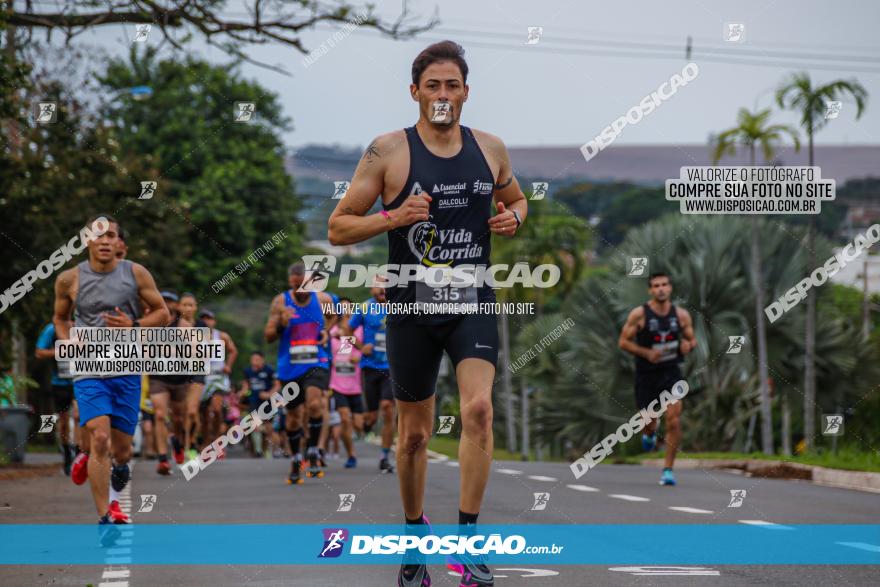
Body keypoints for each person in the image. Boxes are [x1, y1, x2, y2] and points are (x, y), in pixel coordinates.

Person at [327, 41, 528, 587]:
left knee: (479, 410)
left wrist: (513, 218)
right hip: (411, 306)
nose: (443, 95)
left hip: (472, 300)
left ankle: (468, 543)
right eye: (432, 86)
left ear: (466, 92)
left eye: (452, 85)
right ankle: (415, 541)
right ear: (414, 92)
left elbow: (517, 200)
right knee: (414, 436)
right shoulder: (387, 151)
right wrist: (392, 217)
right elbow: (338, 227)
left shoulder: (490, 148)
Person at [53, 215, 170, 526]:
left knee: (122, 450)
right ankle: (105, 514)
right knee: (100, 437)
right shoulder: (69, 279)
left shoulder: (136, 273)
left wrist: (133, 325)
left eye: (111, 236)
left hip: (127, 368)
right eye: (98, 235)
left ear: (118, 242)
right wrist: (68, 339)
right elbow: (60, 319)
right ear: (87, 240)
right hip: (89, 368)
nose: (105, 241)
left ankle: (117, 482)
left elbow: (163, 313)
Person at [618, 272, 696, 486]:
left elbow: (691, 340)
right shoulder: (639, 315)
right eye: (656, 285)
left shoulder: (681, 316)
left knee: (674, 418)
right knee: (648, 421)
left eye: (664, 284)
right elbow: (623, 342)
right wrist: (646, 353)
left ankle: (668, 470)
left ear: (670, 288)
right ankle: (650, 434)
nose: (660, 288)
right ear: (650, 290)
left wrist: (687, 346)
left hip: (671, 372)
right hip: (646, 374)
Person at [264, 262, 333, 484]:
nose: (301, 291)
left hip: (317, 361)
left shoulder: (323, 300)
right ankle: (296, 458)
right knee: (293, 418)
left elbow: (333, 319)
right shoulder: (280, 302)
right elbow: (268, 336)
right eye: (296, 286)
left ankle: (312, 449)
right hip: (290, 366)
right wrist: (282, 324)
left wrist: (325, 331)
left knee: (315, 404)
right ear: (291, 283)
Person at [343, 280, 393, 473]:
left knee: (388, 408)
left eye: (387, 285)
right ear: (371, 289)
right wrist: (360, 347)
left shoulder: (400, 305)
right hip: (370, 367)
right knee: (371, 417)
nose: (382, 289)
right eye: (378, 285)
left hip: (392, 367)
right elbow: (346, 331)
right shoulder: (364, 307)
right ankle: (367, 424)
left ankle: (385, 456)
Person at [149, 291, 191, 474]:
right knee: (159, 415)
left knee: (179, 419)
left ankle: (177, 442)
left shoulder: (184, 326)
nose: (166, 304)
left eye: (170, 301)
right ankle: (163, 459)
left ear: (175, 306)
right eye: (163, 301)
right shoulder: (150, 326)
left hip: (180, 379)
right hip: (158, 378)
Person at [34, 322, 77, 475]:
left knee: (79, 415)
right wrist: (59, 351)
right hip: (60, 382)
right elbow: (39, 352)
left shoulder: (85, 326)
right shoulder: (52, 329)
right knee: (64, 421)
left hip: (81, 379)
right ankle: (66, 454)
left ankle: (79, 454)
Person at [329, 298, 364, 468]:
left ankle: (355, 437)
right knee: (344, 419)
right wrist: (331, 362)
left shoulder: (359, 330)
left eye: (348, 308)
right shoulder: (333, 331)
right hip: (337, 384)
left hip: (355, 385)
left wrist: (358, 356)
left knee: (359, 424)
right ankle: (351, 454)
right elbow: (325, 352)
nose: (346, 311)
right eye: (342, 308)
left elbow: (365, 349)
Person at [199, 309, 238, 456]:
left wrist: (228, 365)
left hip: (218, 378)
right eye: (203, 319)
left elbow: (233, 351)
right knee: (203, 414)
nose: (206, 321)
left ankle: (217, 444)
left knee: (216, 409)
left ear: (214, 321)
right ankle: (205, 442)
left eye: (209, 318)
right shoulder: (195, 336)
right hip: (202, 378)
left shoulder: (221, 336)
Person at [178, 292, 208, 460]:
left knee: (191, 411)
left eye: (191, 305)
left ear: (195, 307)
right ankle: (185, 442)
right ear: (179, 306)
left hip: (197, 371)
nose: (188, 308)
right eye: (184, 305)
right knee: (182, 413)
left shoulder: (202, 325)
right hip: (179, 372)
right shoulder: (173, 325)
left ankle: (191, 443)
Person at [241, 351, 278, 457]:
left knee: (268, 428)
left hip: (267, 403)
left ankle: (267, 449)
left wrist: (269, 394)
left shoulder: (269, 370)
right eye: (252, 360)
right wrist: (242, 393)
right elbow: (246, 386)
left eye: (257, 360)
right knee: (254, 424)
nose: (254, 362)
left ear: (262, 360)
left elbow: (277, 385)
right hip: (253, 401)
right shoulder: (247, 371)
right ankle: (258, 450)